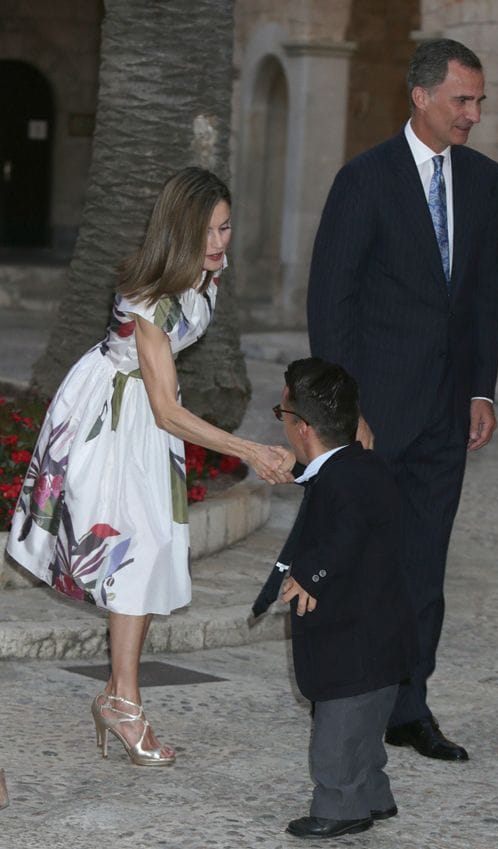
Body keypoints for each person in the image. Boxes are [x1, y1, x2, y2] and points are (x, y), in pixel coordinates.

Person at [7, 166, 293, 767]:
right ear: (179, 233)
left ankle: (119, 695)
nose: (220, 243)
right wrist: (252, 450)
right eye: (209, 232)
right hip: (110, 420)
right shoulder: (149, 299)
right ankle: (126, 702)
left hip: (143, 416)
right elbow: (165, 409)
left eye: (226, 227)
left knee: (149, 550)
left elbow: (163, 401)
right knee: (132, 556)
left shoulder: (201, 279)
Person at [307, 39, 498, 761]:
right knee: (357, 560)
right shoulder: (364, 180)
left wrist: (481, 388)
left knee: (423, 563)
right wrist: (340, 410)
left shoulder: (483, 180)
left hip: (447, 415)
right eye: (461, 99)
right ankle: (340, 704)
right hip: (372, 415)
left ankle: (407, 705)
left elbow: (482, 296)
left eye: (479, 101)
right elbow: (332, 302)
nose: (473, 115)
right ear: (419, 96)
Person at [264, 357, 417, 839]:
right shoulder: (361, 466)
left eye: (281, 416)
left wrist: (311, 573)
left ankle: (339, 805)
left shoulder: (345, 479)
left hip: (353, 641)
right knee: (365, 733)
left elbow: (346, 533)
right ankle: (372, 793)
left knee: (337, 735)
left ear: (302, 427)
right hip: (378, 639)